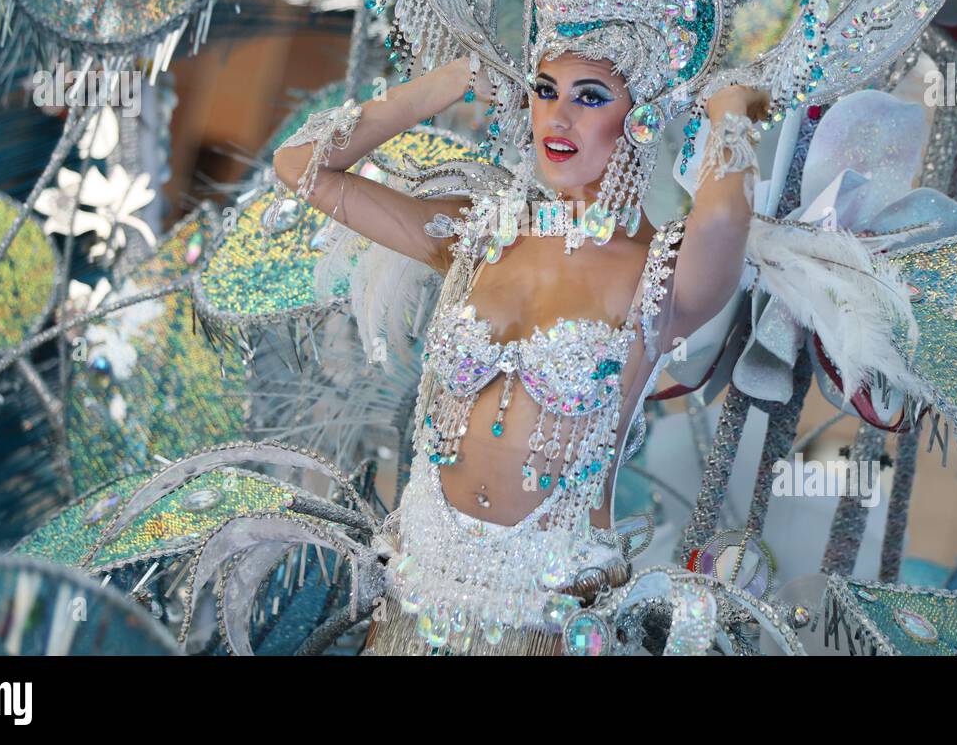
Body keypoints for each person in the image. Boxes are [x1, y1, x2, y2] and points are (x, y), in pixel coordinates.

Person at [273, 52, 769, 654]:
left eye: (590, 97)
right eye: (544, 89)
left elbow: (721, 217)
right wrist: (442, 85)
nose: (557, 116)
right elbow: (302, 167)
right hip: (416, 597)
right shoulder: (477, 234)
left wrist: (730, 110)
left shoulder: (660, 272)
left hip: (547, 621)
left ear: (641, 117)